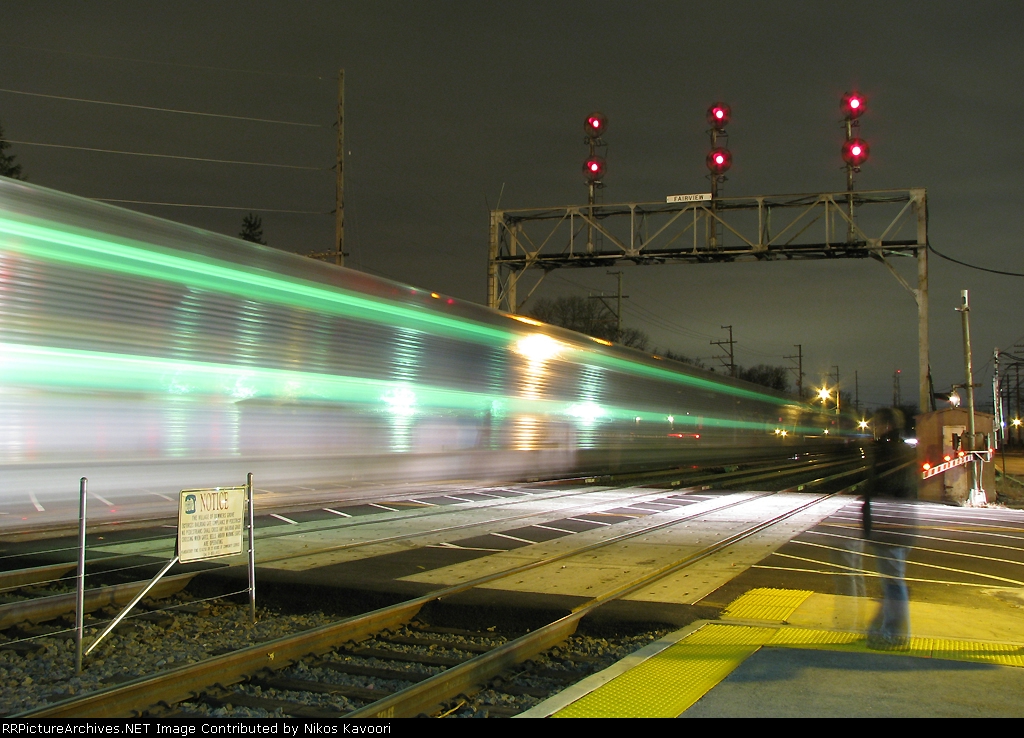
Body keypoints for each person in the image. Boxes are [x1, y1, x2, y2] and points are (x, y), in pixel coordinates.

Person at [861, 407, 917, 649]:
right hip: (901, 524)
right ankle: (880, 627)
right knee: (892, 581)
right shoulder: (903, 450)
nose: (873, 429)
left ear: (886, 427)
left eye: (877, 424)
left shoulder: (888, 452)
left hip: (890, 526)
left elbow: (882, 488)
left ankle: (894, 634)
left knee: (894, 584)